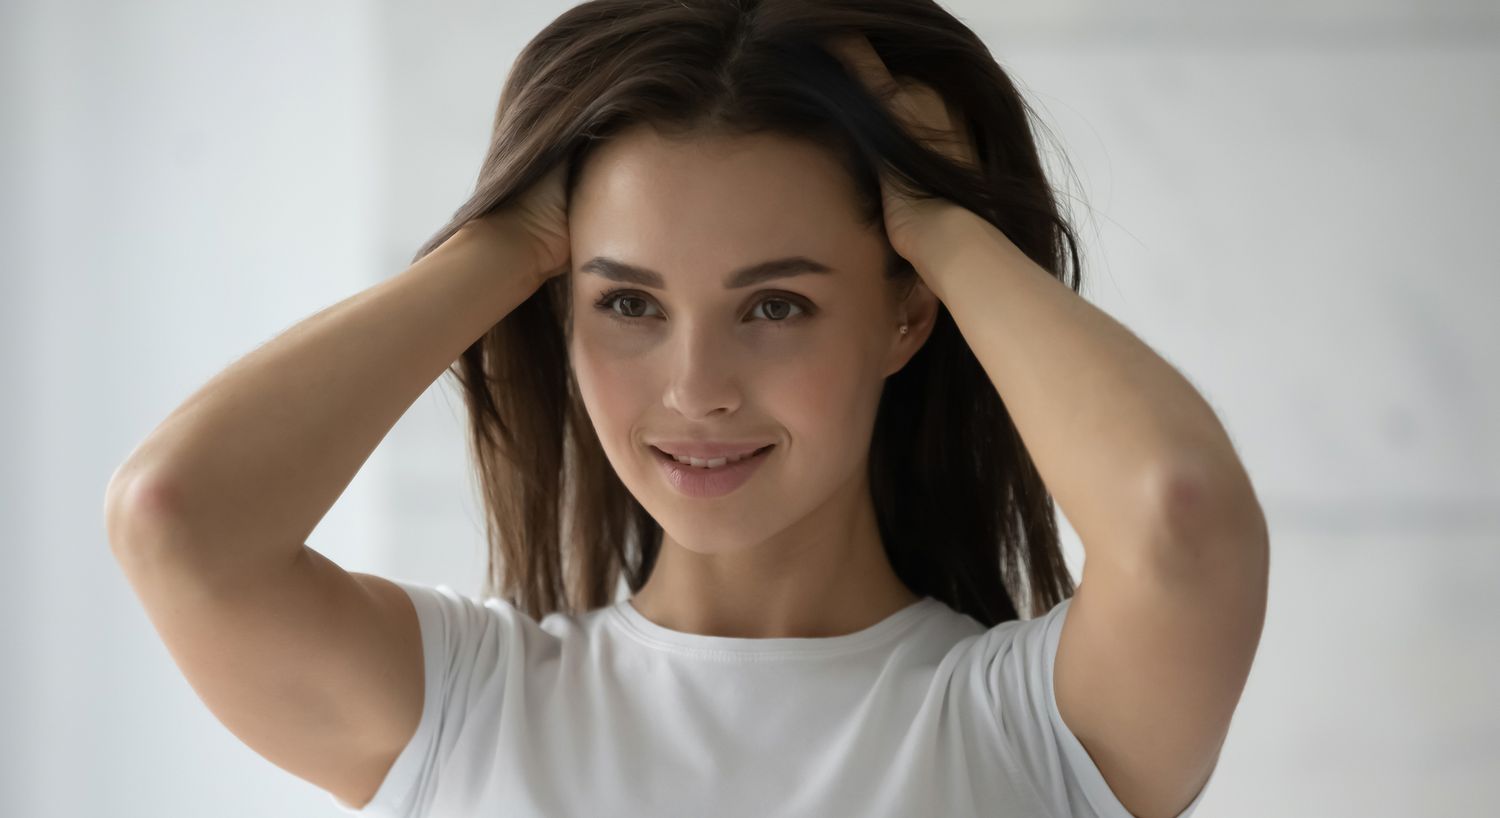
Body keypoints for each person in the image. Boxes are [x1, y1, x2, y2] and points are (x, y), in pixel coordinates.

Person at [104, 2, 1269, 817]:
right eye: (627, 300)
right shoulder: (467, 708)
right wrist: (509, 236)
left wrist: (937, 218)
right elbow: (174, 517)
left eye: (775, 304)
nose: (696, 385)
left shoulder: (1037, 730)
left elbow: (1181, 512)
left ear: (908, 315)